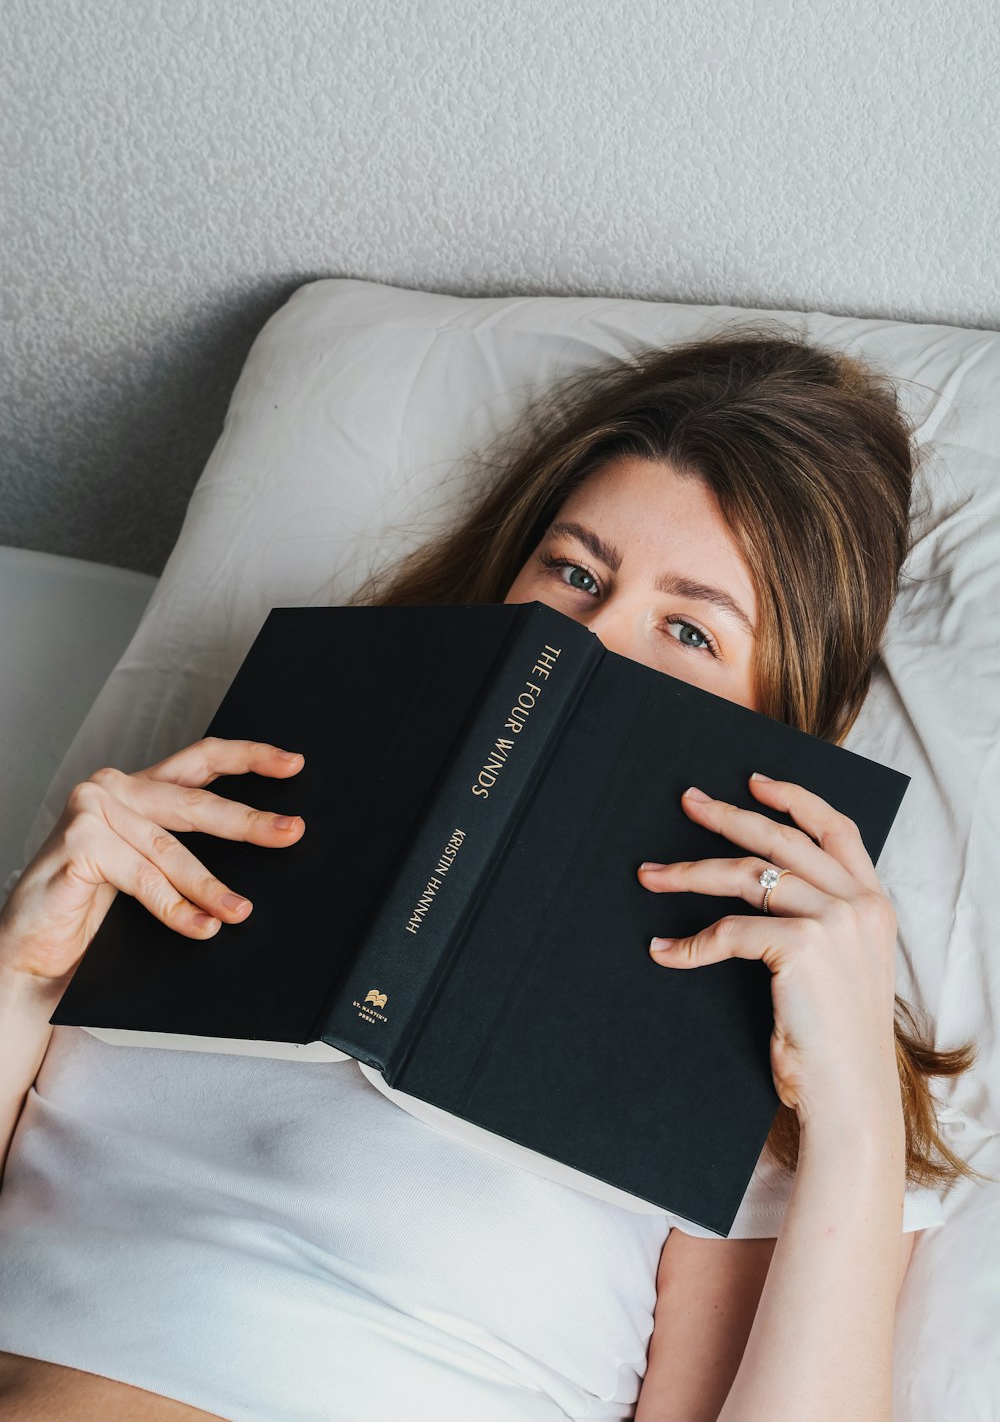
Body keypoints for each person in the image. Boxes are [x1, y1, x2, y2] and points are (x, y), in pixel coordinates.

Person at [0, 325, 980, 1422]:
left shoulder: (772, 1070)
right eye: (573, 573)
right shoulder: (201, 827)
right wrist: (20, 973)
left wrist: (852, 1118)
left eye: (690, 631)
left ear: (781, 711)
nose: (593, 647)